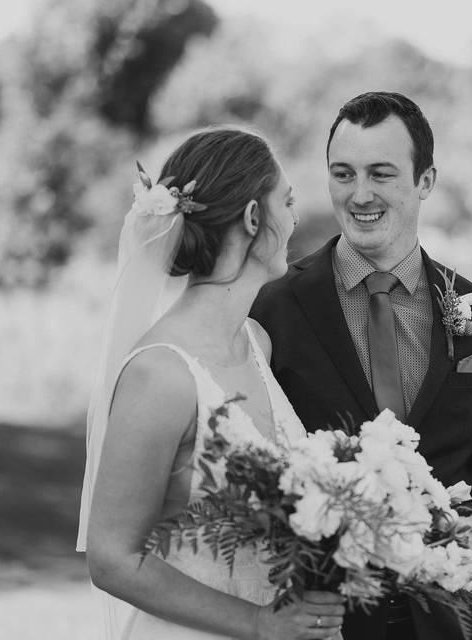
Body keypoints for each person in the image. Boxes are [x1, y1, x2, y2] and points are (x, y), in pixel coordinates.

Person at [252, 92, 472, 640]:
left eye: (381, 173)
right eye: (343, 174)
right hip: (322, 624)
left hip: (453, 625)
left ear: (425, 180)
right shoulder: (272, 308)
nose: (360, 195)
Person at [76, 127, 345, 640]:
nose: (294, 219)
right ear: (251, 217)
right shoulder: (161, 375)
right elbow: (111, 558)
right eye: (286, 203)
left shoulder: (258, 344)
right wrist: (258, 624)